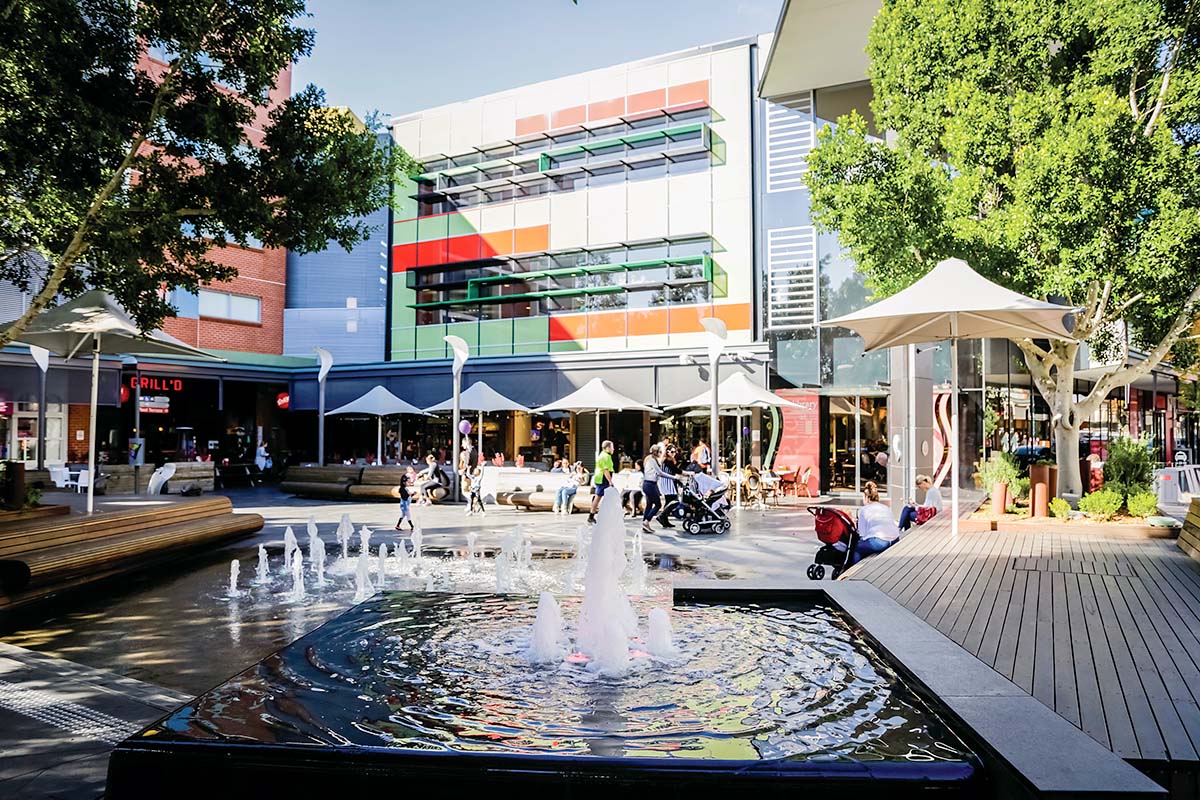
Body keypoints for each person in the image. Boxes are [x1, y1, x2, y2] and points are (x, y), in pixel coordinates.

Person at [852, 481, 901, 564]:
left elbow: (862, 534)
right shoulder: (885, 508)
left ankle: (853, 571)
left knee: (858, 548)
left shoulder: (864, 510)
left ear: (866, 497)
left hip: (880, 542)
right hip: (894, 539)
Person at [641, 444, 666, 534]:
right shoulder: (652, 460)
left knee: (649, 504)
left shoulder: (650, 459)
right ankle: (646, 521)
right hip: (650, 484)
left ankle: (645, 524)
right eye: (660, 452)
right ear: (656, 452)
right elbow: (660, 473)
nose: (661, 453)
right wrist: (674, 477)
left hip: (648, 484)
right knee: (658, 504)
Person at [588, 440, 615, 524]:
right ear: (607, 448)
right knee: (598, 497)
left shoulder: (606, 455)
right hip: (602, 479)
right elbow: (605, 470)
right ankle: (592, 515)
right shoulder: (604, 456)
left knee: (603, 497)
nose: (613, 449)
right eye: (612, 447)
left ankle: (602, 514)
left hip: (602, 479)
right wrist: (610, 481)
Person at [656, 444, 681, 527]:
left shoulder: (664, 460)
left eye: (675, 452)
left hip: (665, 482)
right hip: (668, 482)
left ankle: (664, 519)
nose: (674, 453)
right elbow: (675, 470)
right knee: (674, 501)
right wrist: (686, 473)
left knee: (669, 501)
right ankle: (662, 516)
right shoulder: (667, 461)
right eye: (672, 452)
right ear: (668, 452)